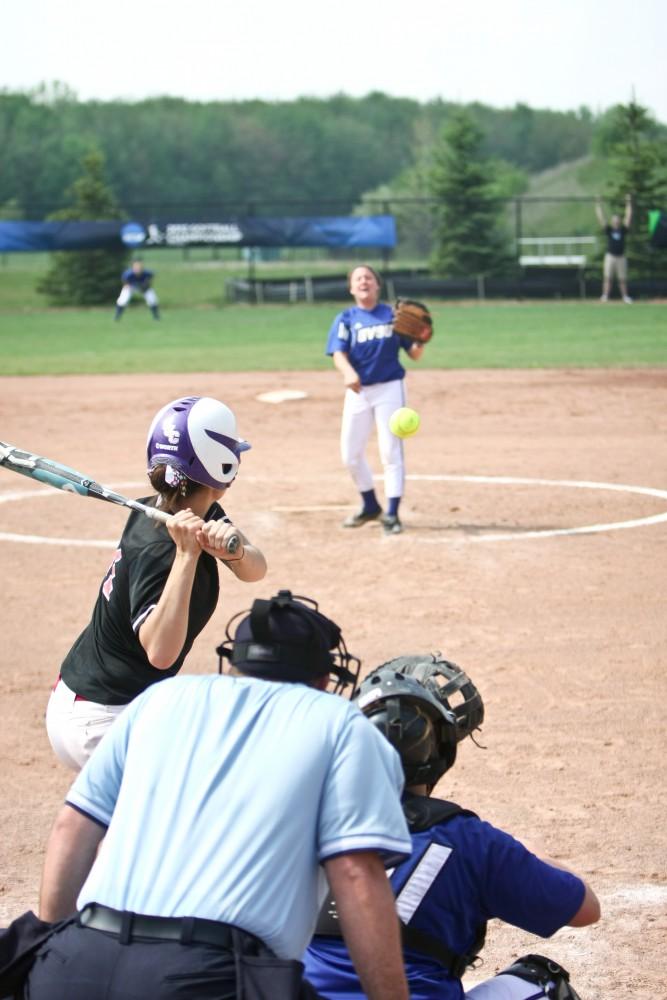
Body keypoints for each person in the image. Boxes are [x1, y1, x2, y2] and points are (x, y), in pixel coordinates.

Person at [25, 590, 413, 1000]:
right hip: (208, 978)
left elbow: (71, 826)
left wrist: (53, 948)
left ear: (236, 663)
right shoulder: (340, 723)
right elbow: (355, 872)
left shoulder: (159, 698)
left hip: (76, 963)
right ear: (322, 677)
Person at [305, 654, 601, 1000]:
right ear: (440, 752)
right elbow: (585, 909)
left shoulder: (304, 819)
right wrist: (522, 849)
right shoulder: (470, 840)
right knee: (545, 985)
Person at [46, 395, 267, 772]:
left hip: (104, 702)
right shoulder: (161, 549)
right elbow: (161, 653)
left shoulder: (187, 510)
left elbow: (255, 570)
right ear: (223, 467)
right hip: (101, 721)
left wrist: (233, 553)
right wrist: (186, 556)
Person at [326, 264, 426, 536]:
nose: (364, 281)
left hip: (390, 389)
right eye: (358, 278)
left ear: (377, 285)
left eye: (368, 277)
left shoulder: (394, 316)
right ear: (351, 287)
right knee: (350, 455)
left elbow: (414, 354)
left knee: (390, 451)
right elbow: (338, 352)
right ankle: (370, 505)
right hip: (358, 391)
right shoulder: (346, 319)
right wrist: (348, 372)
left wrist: (421, 339)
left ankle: (392, 514)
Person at [595, 194, 633, 303]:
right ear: (612, 221)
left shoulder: (623, 230)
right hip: (610, 256)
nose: (616, 221)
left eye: (617, 219)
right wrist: (598, 204)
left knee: (622, 279)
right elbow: (601, 218)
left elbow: (628, 216)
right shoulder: (609, 230)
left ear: (619, 221)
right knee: (607, 278)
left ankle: (625, 297)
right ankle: (605, 296)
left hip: (621, 257)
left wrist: (628, 202)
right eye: (614, 220)